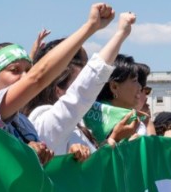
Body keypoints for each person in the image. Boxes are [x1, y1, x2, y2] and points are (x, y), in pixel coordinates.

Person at [0, 6, 136, 164]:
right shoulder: (37, 118)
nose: (25, 77)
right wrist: (99, 29)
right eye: (14, 70)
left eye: (28, 70)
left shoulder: (25, 125)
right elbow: (76, 91)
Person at [25, 10, 139, 156]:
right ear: (58, 89)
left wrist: (114, 143)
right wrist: (120, 34)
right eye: (78, 82)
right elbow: (87, 86)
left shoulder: (80, 126)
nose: (88, 86)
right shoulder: (44, 121)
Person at [96, 55, 150, 135]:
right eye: (134, 80)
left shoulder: (136, 123)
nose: (140, 87)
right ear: (114, 87)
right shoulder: (85, 119)